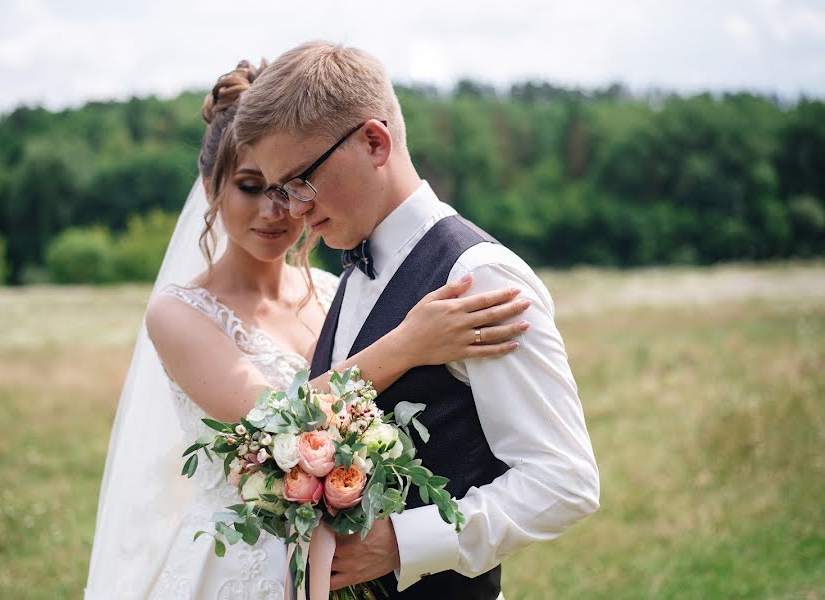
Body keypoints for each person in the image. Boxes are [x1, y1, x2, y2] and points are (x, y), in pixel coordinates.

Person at [84, 60, 529, 600]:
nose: (277, 211)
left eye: (290, 186)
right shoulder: (178, 313)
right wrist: (410, 343)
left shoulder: (333, 290)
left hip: (345, 561)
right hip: (238, 562)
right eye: (252, 187)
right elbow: (270, 424)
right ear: (210, 186)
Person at [232, 42, 601, 600]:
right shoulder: (354, 266)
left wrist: (406, 542)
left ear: (374, 141)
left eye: (301, 180)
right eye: (284, 190)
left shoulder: (480, 278)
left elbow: (564, 480)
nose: (295, 209)